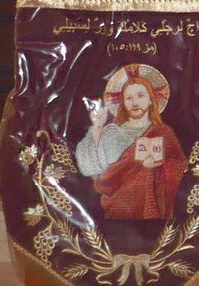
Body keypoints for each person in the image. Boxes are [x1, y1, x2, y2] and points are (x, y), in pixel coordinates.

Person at [75, 64, 187, 221]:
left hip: (153, 214)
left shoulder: (163, 133)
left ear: (150, 100)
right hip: (116, 212)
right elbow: (90, 170)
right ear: (123, 103)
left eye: (140, 96)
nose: (135, 103)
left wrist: (157, 167)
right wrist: (98, 128)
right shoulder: (110, 133)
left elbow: (180, 166)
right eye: (129, 98)